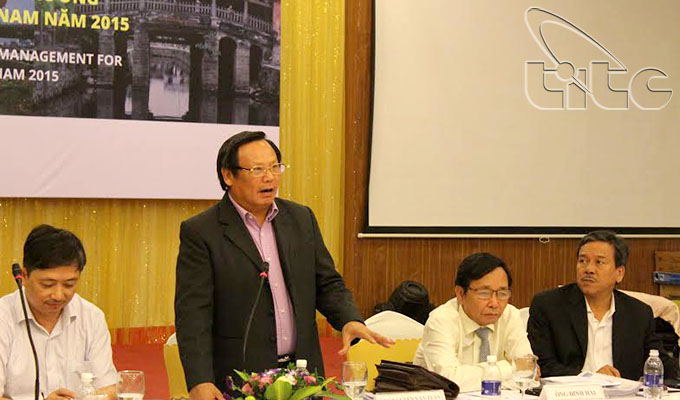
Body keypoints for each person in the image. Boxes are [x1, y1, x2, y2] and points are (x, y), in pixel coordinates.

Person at [174, 131, 393, 400]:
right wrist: (200, 380)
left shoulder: (300, 218)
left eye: (275, 167)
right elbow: (193, 314)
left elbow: (326, 283)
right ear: (228, 175)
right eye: (257, 170)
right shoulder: (202, 232)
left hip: (303, 375)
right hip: (241, 379)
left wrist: (349, 318)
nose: (269, 177)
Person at [528, 230, 677, 380]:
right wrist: (591, 378)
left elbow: (658, 362)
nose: (589, 269)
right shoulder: (549, 305)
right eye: (583, 261)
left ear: (619, 273)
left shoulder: (639, 313)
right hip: (571, 390)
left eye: (599, 262)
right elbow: (542, 365)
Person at [0, 225, 118, 400]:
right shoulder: (3, 318)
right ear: (24, 276)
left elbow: (109, 388)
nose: (58, 295)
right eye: (47, 285)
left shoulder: (91, 317)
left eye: (69, 284)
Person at [413, 252, 533, 392]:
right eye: (484, 293)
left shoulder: (510, 315)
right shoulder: (441, 320)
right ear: (460, 294)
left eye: (502, 293)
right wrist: (511, 367)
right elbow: (448, 381)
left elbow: (529, 374)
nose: (494, 303)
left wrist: (481, 381)